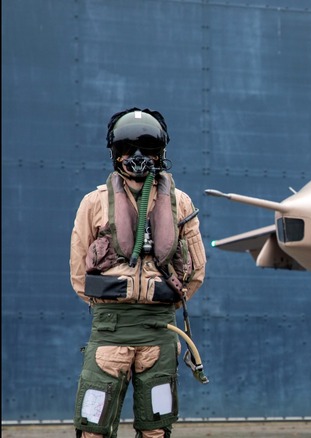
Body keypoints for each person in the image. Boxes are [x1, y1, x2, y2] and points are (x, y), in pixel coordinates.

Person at [69, 107, 207, 438]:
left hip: (158, 333)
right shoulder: (94, 203)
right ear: (116, 153)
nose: (138, 157)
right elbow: (78, 271)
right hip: (110, 334)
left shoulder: (180, 203)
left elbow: (196, 270)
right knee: (93, 427)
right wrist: (111, 305)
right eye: (128, 148)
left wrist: (158, 305)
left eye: (147, 147)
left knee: (156, 428)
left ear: (160, 152)